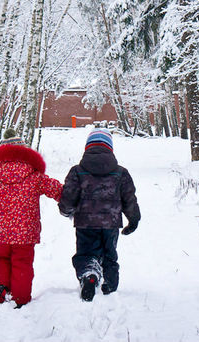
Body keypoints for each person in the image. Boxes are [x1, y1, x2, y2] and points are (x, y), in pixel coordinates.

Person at [0, 130, 62, 308]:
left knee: (0, 258)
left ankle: (0, 290)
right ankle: (20, 299)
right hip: (25, 232)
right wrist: (70, 197)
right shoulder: (35, 175)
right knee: (22, 262)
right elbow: (56, 189)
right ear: (24, 152)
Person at [58, 128, 140, 301]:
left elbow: (69, 196)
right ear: (110, 148)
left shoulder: (77, 171)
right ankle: (110, 283)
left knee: (86, 252)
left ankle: (89, 274)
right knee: (109, 253)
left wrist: (66, 211)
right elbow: (129, 199)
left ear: (87, 147)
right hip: (111, 223)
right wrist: (133, 219)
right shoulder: (120, 172)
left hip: (85, 223)